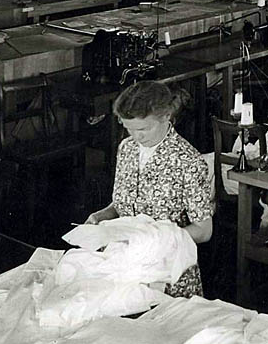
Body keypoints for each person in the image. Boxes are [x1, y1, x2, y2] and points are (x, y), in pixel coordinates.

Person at [85, 81, 212, 298]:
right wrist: (102, 215)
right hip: (124, 262)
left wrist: (155, 239)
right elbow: (126, 201)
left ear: (166, 116)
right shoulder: (127, 148)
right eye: (130, 129)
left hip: (167, 271)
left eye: (143, 129)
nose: (137, 137)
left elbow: (204, 230)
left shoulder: (187, 161)